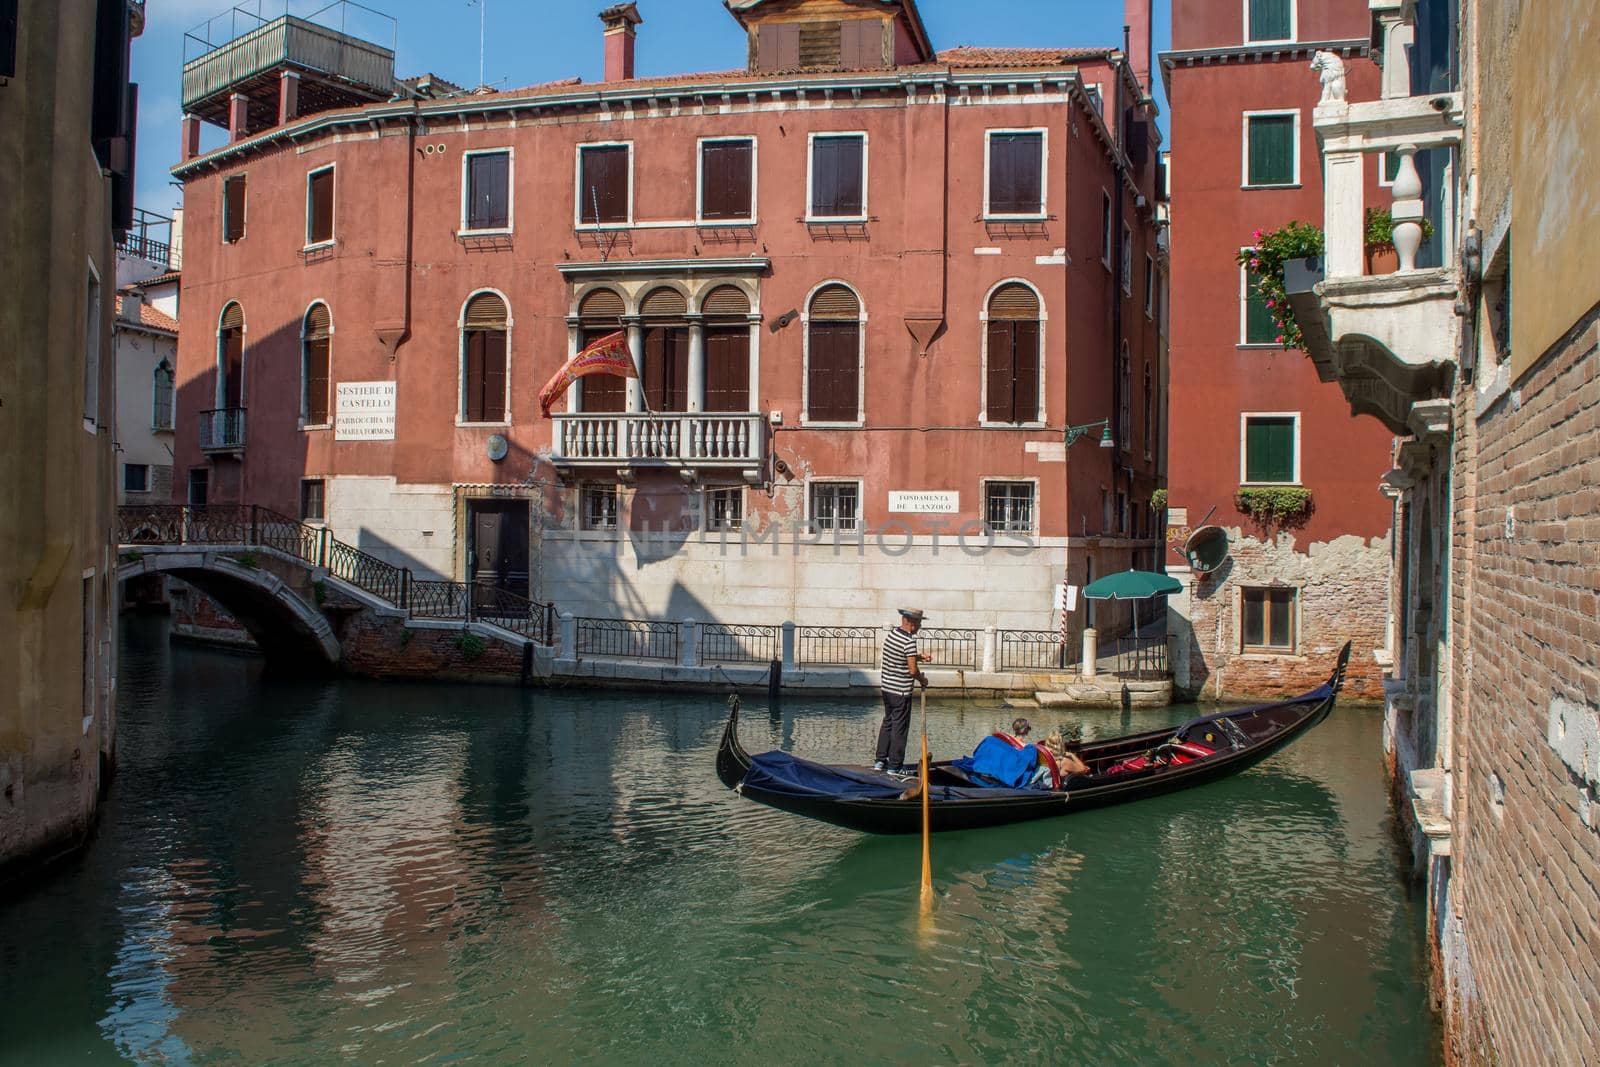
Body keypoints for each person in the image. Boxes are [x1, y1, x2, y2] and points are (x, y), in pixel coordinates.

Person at [874, 608, 932, 775]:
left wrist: (920, 656)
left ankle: (880, 761)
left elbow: (900, 656)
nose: (920, 626)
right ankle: (895, 766)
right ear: (912, 624)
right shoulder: (909, 641)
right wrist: (922, 680)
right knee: (900, 728)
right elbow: (912, 671)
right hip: (900, 691)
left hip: (887, 689)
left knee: (888, 723)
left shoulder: (892, 635)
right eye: (919, 623)